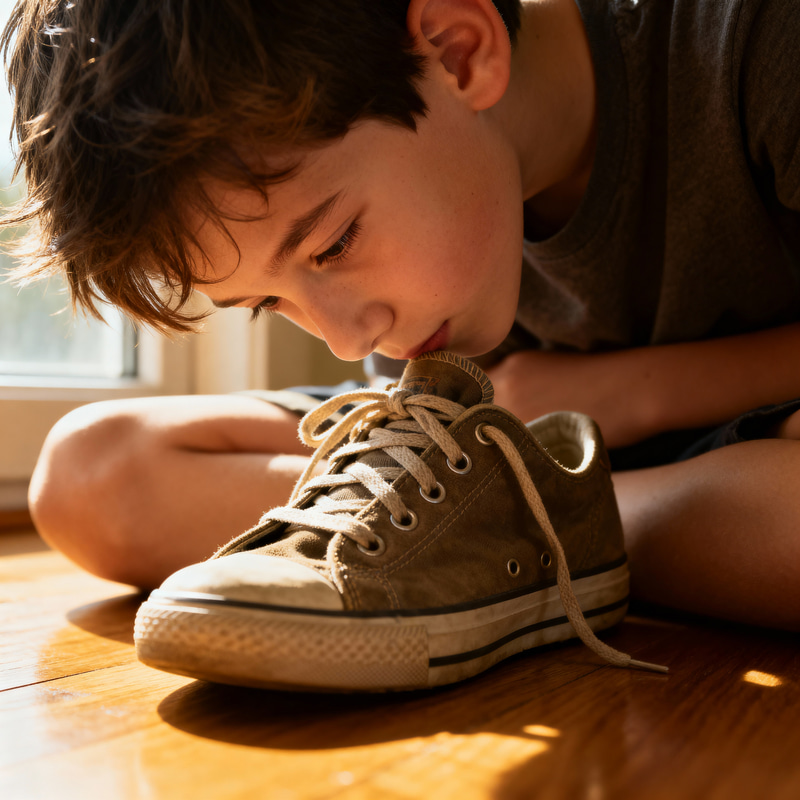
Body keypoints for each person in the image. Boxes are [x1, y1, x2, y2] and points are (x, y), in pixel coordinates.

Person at [3, 0, 800, 632]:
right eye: (268, 304)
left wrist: (628, 392)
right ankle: (515, 531)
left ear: (458, 51)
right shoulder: (422, 294)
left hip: (749, 433)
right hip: (494, 442)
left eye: (334, 242)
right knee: (92, 471)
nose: (348, 337)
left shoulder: (755, 38)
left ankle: (491, 545)